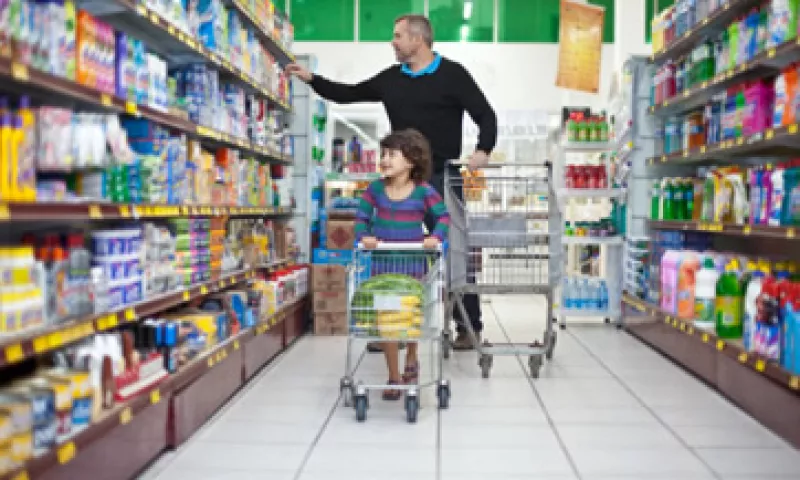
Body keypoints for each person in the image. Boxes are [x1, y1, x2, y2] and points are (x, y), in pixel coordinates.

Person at [287, 14, 496, 350]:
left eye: (397, 35)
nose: (392, 41)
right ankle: (392, 328)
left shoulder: (453, 75)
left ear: (418, 39)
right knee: (394, 250)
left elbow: (485, 113)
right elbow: (348, 93)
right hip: (402, 178)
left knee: (455, 252)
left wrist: (484, 149)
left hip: (443, 174)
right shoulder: (391, 79)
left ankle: (467, 327)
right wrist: (312, 79)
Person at [355, 129, 449, 400]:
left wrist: (434, 237)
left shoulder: (423, 191)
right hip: (383, 267)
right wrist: (365, 237)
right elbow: (360, 219)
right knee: (388, 321)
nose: (384, 159)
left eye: (392, 155)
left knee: (410, 318)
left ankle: (411, 353)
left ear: (411, 161)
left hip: (413, 266)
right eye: (383, 154)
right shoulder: (375, 189)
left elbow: (443, 218)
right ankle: (394, 376)